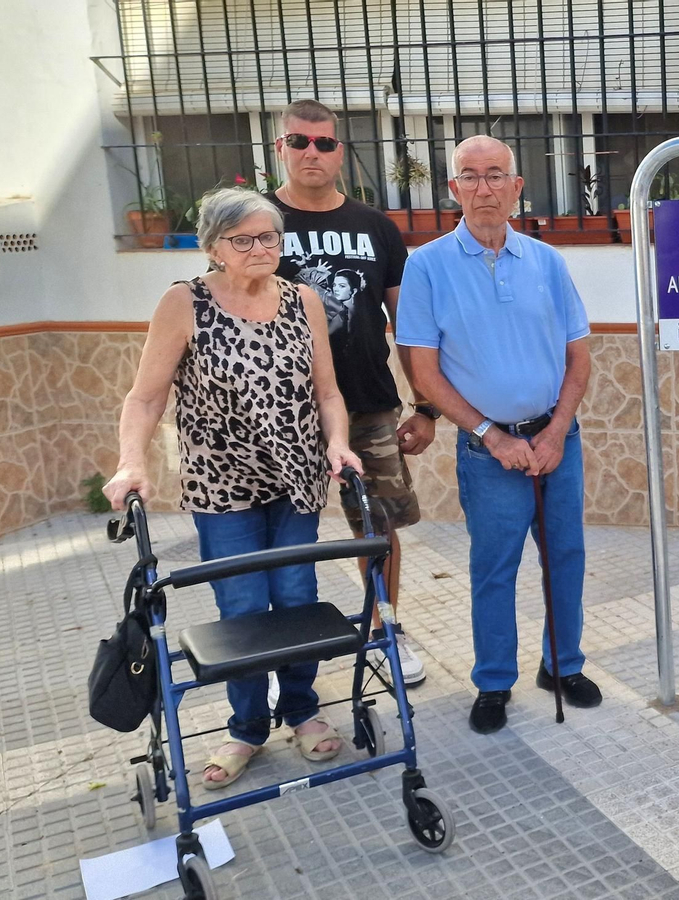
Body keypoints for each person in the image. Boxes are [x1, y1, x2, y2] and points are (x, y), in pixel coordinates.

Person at [104, 188, 361, 788]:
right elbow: (145, 396)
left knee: (297, 598)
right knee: (242, 608)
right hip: (222, 486)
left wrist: (338, 442)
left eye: (269, 237)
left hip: (296, 475)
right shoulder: (183, 302)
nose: (259, 248)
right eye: (243, 239)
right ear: (214, 246)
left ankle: (302, 710)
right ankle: (246, 727)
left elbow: (327, 391)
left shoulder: (303, 300)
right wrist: (130, 462)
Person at [396, 135, 599, 736]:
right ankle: (493, 681)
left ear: (517, 187)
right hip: (489, 451)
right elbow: (423, 370)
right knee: (494, 566)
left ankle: (562, 667)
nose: (483, 187)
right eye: (470, 176)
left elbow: (578, 356)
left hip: (558, 441)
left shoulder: (548, 261)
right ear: (453, 188)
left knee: (566, 558)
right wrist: (490, 434)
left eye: (495, 175)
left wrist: (558, 431)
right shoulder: (426, 265)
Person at [270, 99, 433, 688]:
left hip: (367, 402)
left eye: (324, 143)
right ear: (280, 147)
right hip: (279, 413)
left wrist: (426, 405)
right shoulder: (255, 223)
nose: (312, 152)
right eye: (299, 142)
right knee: (281, 531)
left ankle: (386, 629)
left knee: (377, 524)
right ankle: (279, 652)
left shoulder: (376, 227)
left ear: (340, 151)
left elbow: (408, 324)